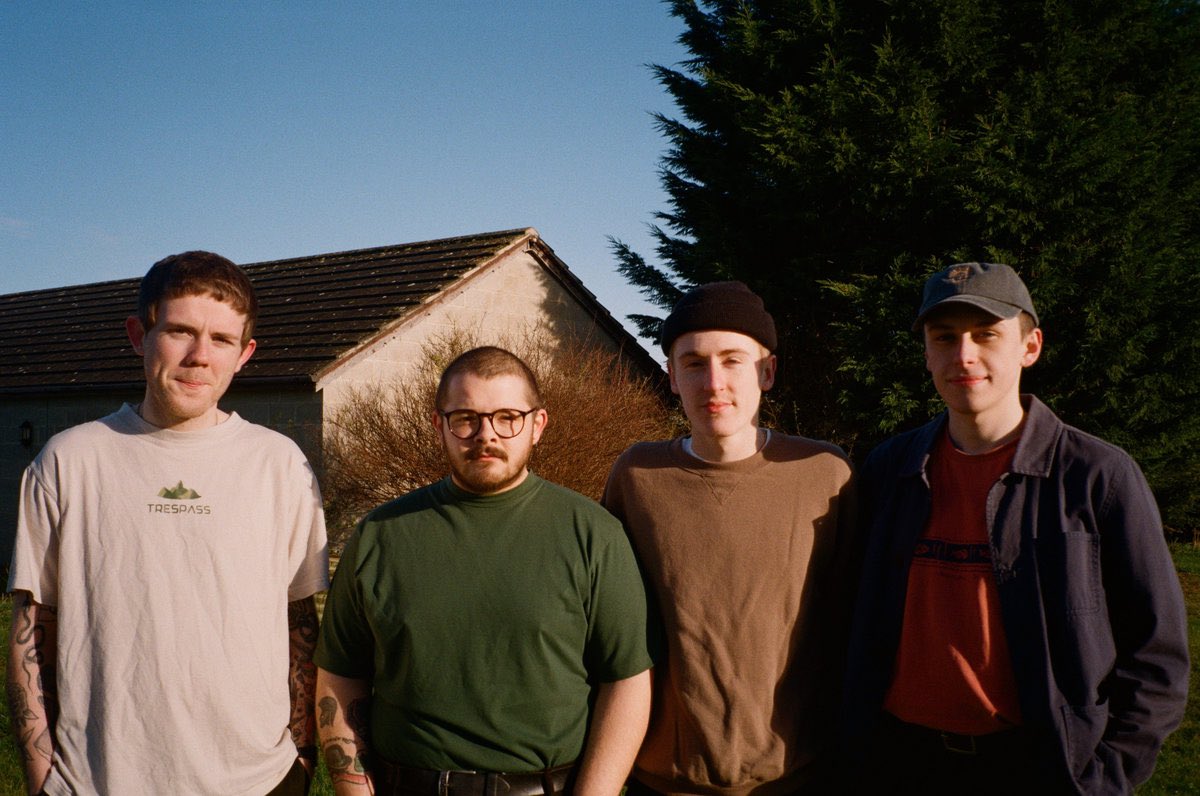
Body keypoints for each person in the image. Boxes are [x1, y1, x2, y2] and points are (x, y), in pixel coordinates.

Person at [842, 262, 1190, 794]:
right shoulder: (891, 469)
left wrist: (1102, 779)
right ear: (927, 353)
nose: (964, 355)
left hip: (1033, 766)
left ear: (1030, 347)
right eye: (945, 337)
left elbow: (1157, 655)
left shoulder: (1097, 476)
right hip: (898, 759)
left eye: (987, 335)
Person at [6, 251, 329, 795]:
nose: (200, 357)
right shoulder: (70, 460)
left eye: (222, 340)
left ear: (245, 353)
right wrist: (42, 778)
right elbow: (31, 629)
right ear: (139, 334)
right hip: (99, 782)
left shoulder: (281, 465)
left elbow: (300, 622)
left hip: (259, 781)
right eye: (180, 331)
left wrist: (299, 760)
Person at [314, 346, 654, 796]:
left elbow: (627, 680)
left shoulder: (593, 534)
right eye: (466, 418)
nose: (486, 434)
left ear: (538, 425)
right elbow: (340, 672)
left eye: (508, 417)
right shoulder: (380, 534)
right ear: (440, 426)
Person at [602, 282, 857, 795]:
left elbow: (854, 626)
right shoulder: (636, 476)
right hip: (661, 782)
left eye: (733, 360)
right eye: (693, 363)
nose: (713, 381)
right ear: (672, 377)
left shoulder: (825, 474)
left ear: (767, 372)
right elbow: (609, 631)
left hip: (795, 778)